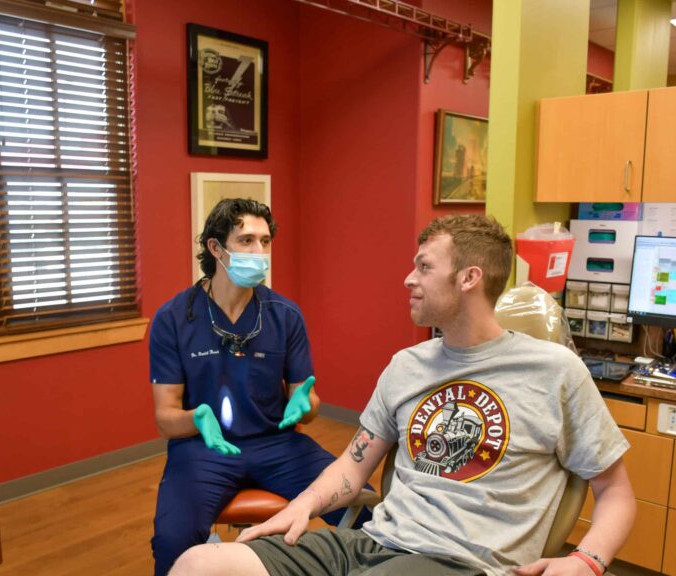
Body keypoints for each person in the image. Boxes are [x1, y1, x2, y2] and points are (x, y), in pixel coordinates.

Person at [169, 214, 636, 576]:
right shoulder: (407, 366)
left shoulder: (555, 372)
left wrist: (588, 560)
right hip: (371, 544)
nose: (408, 280)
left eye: (424, 267)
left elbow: (615, 491)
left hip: (461, 561)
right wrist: (302, 506)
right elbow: (355, 465)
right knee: (199, 564)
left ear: (469, 278)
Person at [149, 198, 369, 576]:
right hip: (203, 450)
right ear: (216, 248)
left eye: (265, 242)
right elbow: (166, 417)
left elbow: (307, 398)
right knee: (172, 539)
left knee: (363, 513)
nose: (259, 252)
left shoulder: (284, 314)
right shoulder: (174, 318)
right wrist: (197, 419)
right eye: (246, 241)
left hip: (276, 444)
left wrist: (306, 404)